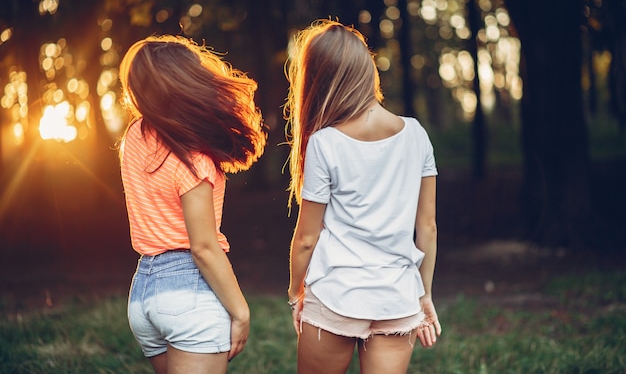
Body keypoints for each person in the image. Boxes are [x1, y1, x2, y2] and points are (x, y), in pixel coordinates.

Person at [284, 20, 442, 374]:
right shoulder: (416, 134)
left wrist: (297, 293)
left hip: (336, 296)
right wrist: (424, 294)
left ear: (318, 79)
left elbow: (307, 238)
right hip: (397, 297)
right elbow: (427, 227)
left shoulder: (324, 143)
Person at [118, 35, 266, 374]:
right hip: (189, 293)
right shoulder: (194, 159)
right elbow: (202, 247)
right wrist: (241, 311)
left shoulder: (134, 137)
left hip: (143, 291)